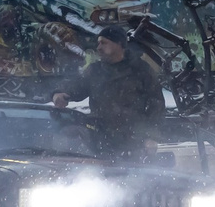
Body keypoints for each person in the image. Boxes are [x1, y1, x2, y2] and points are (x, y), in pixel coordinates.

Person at [50, 23, 166, 152]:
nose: (98, 48)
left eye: (103, 43)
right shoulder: (95, 70)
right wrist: (59, 93)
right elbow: (77, 86)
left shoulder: (140, 69)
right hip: (100, 138)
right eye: (98, 43)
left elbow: (156, 105)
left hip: (133, 141)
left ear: (119, 44)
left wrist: (151, 136)